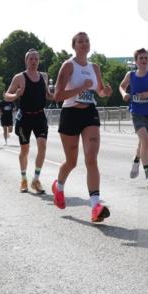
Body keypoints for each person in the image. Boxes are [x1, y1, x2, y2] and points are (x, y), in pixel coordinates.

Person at [52, 32, 113, 222]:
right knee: (71, 161)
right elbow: (58, 95)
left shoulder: (94, 67)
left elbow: (100, 90)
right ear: (74, 45)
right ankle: (59, 185)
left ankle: (95, 205)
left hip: (89, 114)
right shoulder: (68, 65)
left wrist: (105, 92)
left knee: (91, 158)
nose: (84, 44)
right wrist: (80, 88)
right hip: (70, 114)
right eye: (80, 41)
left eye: (87, 40)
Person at [5, 49, 54, 193]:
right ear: (26, 61)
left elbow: (48, 95)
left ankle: (36, 180)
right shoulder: (19, 77)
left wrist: (59, 94)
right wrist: (15, 94)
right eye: (31, 59)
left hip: (39, 116)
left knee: (42, 146)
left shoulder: (44, 76)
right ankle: (23, 179)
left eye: (36, 59)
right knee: (25, 150)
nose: (34, 61)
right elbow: (7, 95)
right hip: (25, 118)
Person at [119, 48, 148, 189]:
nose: (143, 61)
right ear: (136, 61)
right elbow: (122, 86)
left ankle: (136, 160)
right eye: (140, 58)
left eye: (145, 58)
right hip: (137, 113)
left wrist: (147, 94)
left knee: (142, 144)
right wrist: (124, 93)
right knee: (146, 143)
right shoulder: (130, 75)